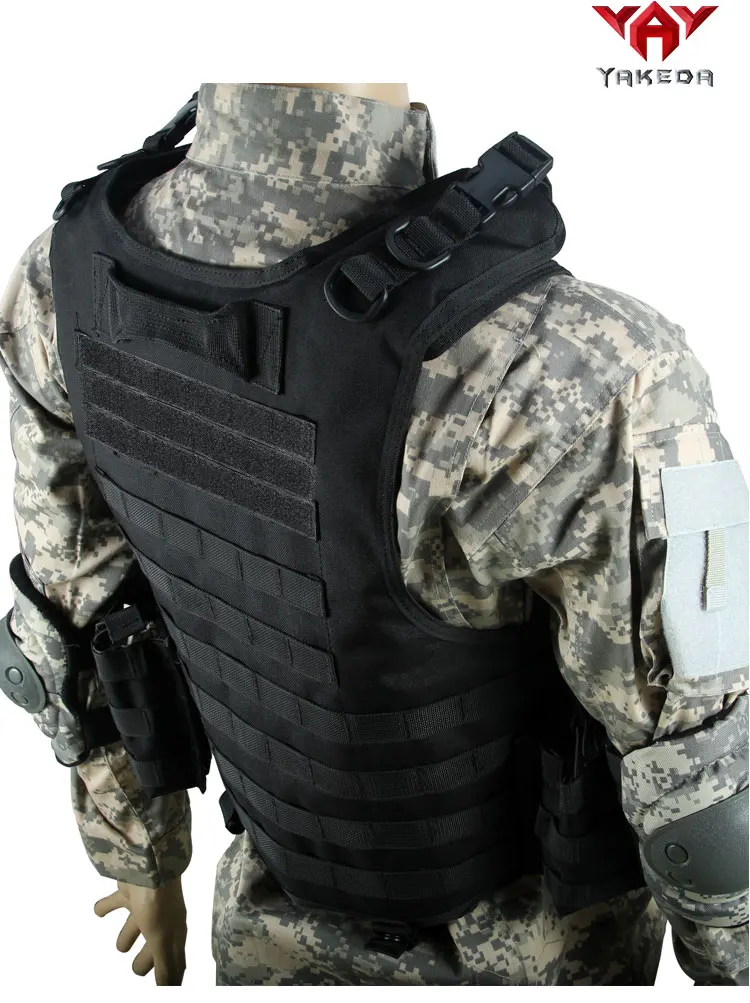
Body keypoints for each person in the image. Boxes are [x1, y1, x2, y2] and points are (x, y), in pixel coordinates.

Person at [0, 82, 746, 987]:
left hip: (263, 940)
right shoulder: (581, 363)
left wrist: (137, 853)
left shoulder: (65, 282)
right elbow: (712, 797)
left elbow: (72, 616)